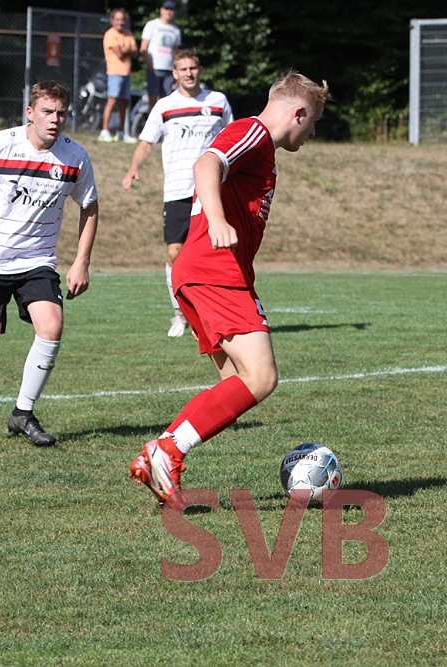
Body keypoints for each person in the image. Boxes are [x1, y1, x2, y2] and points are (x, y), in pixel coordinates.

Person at [128, 71, 330, 505]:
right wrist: (217, 221)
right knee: (261, 377)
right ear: (298, 112)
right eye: (313, 122)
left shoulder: (261, 145)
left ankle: (159, 452)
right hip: (215, 270)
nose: (312, 132)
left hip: (206, 271)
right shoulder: (253, 132)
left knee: (236, 385)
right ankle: (168, 450)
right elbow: (206, 164)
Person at [0, 80, 100, 447]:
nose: (54, 119)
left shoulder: (75, 157)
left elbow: (89, 206)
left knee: (51, 326)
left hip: (37, 260)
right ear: (30, 113)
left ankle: (23, 413)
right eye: (47, 111)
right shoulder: (0, 145)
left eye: (61, 113)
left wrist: (81, 262)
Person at [121, 49, 233, 338]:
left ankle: (208, 317)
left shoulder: (218, 101)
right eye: (183, 69)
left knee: (214, 253)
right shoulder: (165, 106)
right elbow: (147, 142)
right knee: (174, 252)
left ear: (200, 69)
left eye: (193, 67)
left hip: (211, 190)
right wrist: (133, 167)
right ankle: (180, 313)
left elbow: (231, 140)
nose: (189, 73)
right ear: (174, 73)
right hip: (178, 190)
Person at [98, 8, 139, 144]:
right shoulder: (110, 34)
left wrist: (125, 50)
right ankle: (104, 131)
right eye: (117, 19)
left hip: (126, 73)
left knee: (124, 103)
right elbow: (120, 54)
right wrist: (127, 50)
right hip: (114, 72)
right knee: (112, 100)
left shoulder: (128, 33)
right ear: (112, 21)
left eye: (122, 20)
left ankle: (121, 132)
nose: (120, 22)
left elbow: (135, 52)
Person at [140, 0, 182, 110]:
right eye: (166, 9)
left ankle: (165, 120)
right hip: (155, 68)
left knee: (167, 99)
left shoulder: (176, 30)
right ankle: (152, 120)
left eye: (171, 9)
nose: (168, 12)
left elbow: (176, 51)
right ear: (161, 10)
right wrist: (149, 64)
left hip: (169, 69)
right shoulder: (152, 25)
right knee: (153, 97)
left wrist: (177, 68)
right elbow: (143, 48)